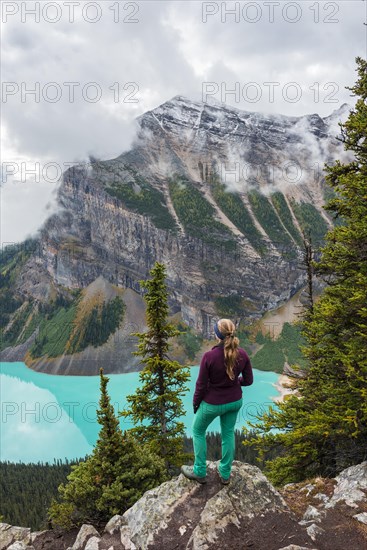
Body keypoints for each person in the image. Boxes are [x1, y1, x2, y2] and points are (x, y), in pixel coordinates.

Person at [181, 318, 254, 485]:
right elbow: (248, 380)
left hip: (212, 403)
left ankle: (199, 471)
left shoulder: (209, 356)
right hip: (235, 401)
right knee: (228, 433)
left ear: (217, 335)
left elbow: (200, 385)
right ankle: (225, 473)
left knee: (198, 430)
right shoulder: (242, 354)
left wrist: (195, 403)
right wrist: (235, 383)